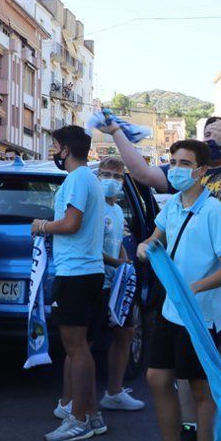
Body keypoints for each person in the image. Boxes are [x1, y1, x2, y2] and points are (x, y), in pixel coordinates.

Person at [104, 116, 221, 434]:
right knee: (188, 364)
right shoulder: (183, 177)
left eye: (218, 133)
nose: (211, 137)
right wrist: (118, 133)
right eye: (208, 133)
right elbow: (143, 173)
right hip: (185, 284)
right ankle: (191, 426)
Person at [134, 139, 221, 441]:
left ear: (201, 171)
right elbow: (156, 239)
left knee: (199, 392)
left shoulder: (214, 212)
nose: (176, 168)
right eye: (172, 161)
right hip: (170, 310)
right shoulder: (173, 207)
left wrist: (193, 288)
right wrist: (144, 247)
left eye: (184, 163)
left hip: (199, 315)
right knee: (157, 378)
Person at [32, 126, 106, 441]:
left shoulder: (77, 179)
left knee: (76, 349)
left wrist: (43, 225)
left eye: (54, 146)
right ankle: (91, 413)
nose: (52, 151)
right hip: (84, 271)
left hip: (76, 272)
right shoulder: (89, 178)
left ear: (65, 149)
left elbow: (71, 223)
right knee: (79, 348)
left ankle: (78, 420)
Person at [97, 156, 145, 411]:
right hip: (96, 283)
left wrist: (124, 262)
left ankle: (114, 391)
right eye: (106, 175)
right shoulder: (95, 207)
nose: (112, 181)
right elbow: (92, 246)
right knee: (84, 343)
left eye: (117, 177)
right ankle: (71, 404)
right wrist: (118, 263)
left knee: (125, 333)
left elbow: (117, 244)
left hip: (116, 285)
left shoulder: (116, 209)